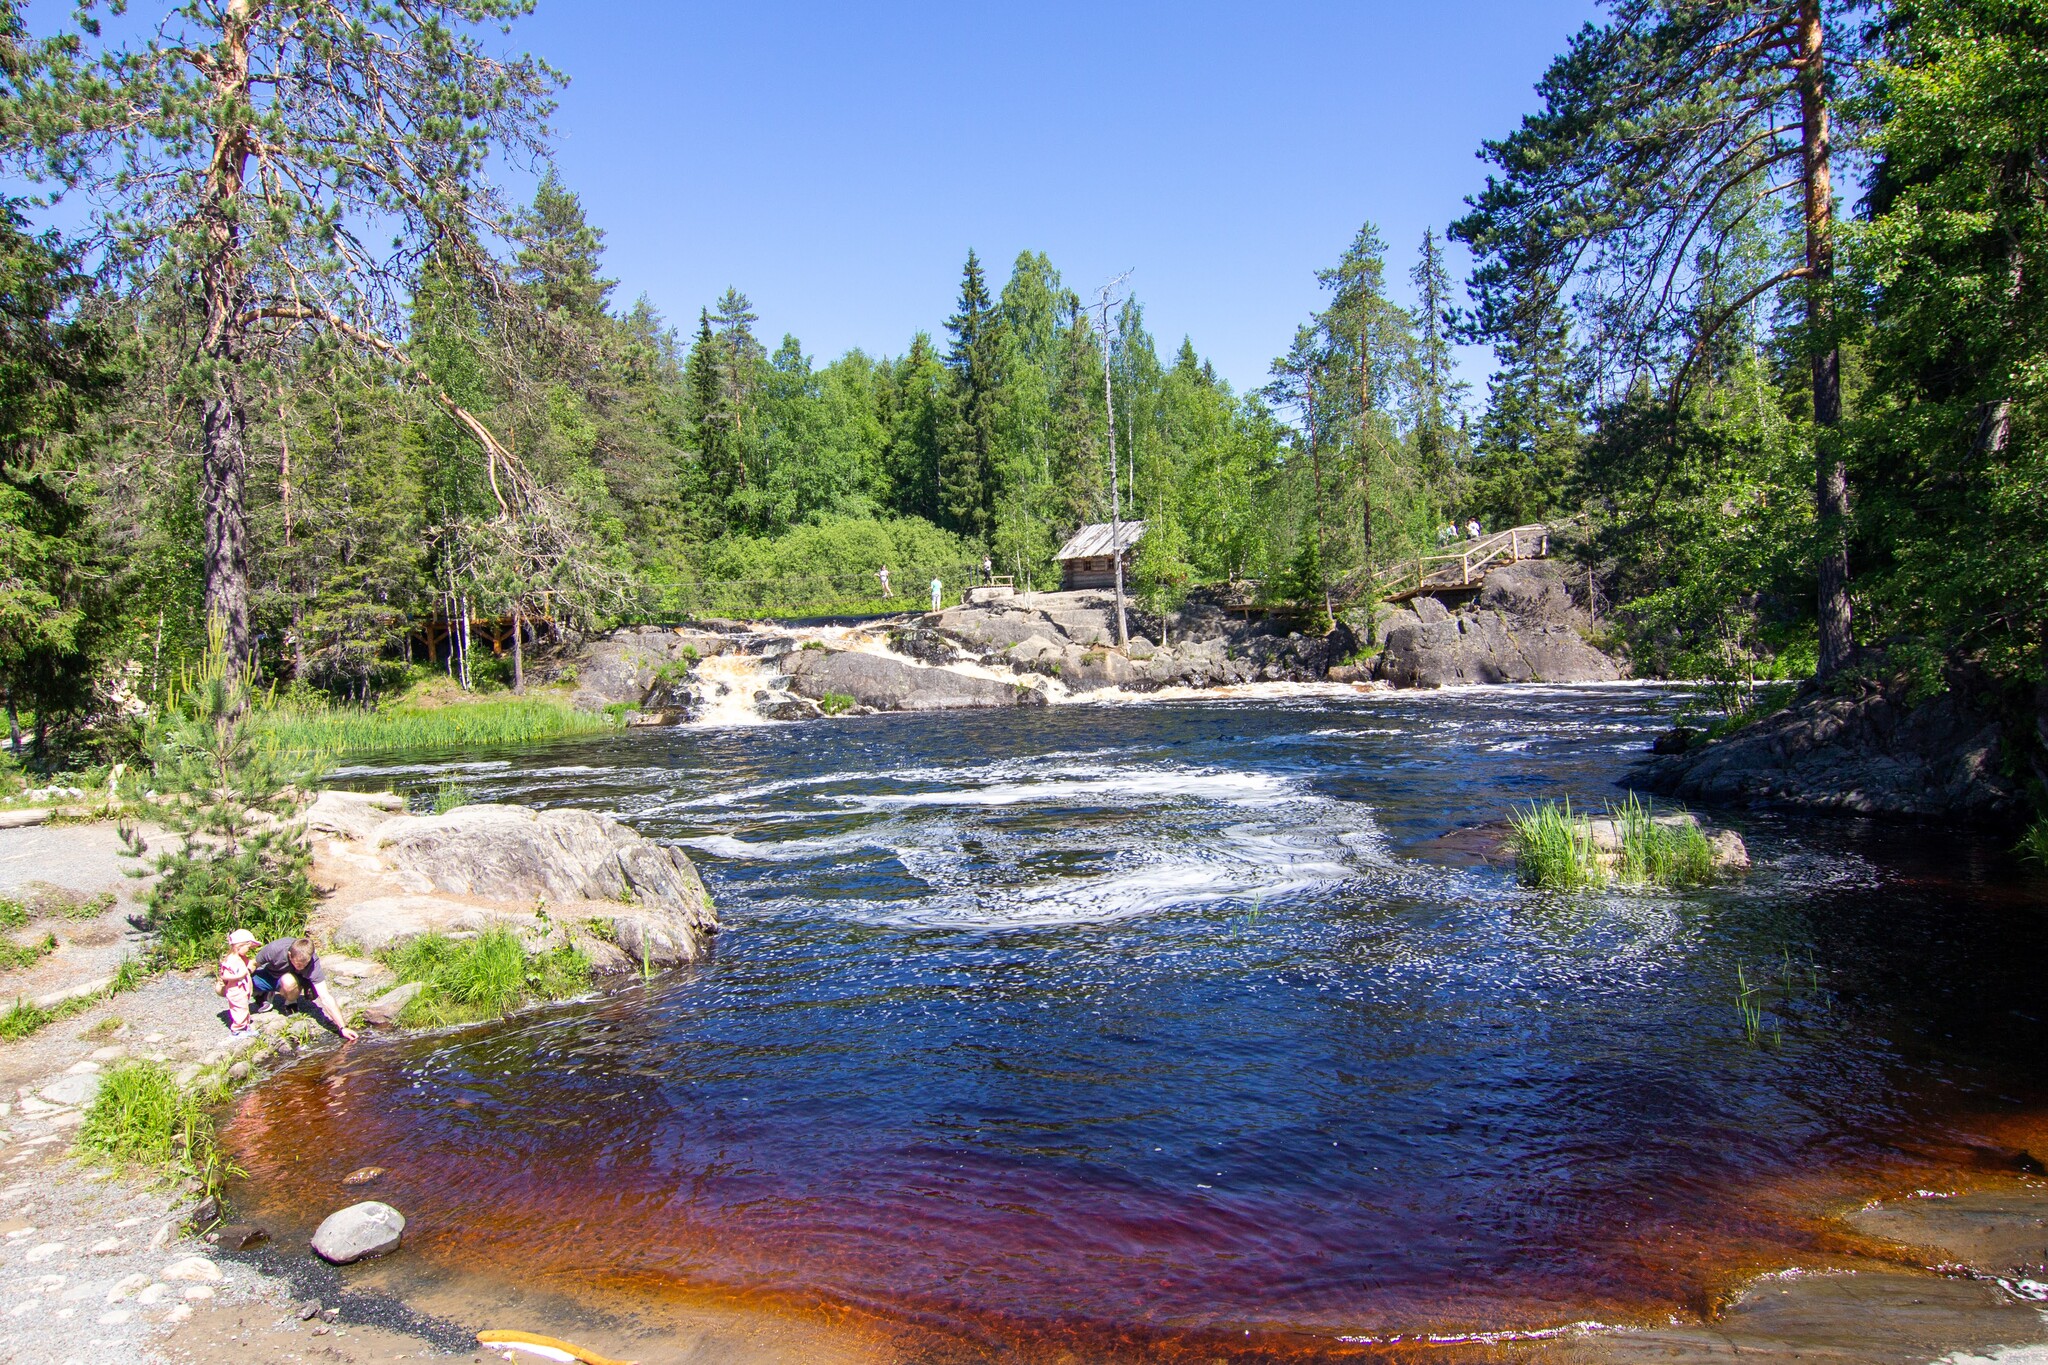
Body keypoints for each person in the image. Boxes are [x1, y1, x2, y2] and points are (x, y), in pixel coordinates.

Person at [251, 935, 358, 1041]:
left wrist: (342, 1027)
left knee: (288, 981)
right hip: (270, 975)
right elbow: (253, 963)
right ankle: (265, 994)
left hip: (288, 981)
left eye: (304, 965)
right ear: (289, 955)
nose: (301, 967)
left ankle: (290, 1002)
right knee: (246, 983)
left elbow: (325, 997)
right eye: (297, 964)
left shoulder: (313, 963)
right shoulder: (276, 948)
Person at [217, 928, 259, 1037]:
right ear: (239, 946)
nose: (248, 950)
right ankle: (237, 1029)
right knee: (240, 1009)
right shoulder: (231, 960)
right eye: (247, 947)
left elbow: (250, 964)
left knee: (244, 1008)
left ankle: (245, 1026)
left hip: (242, 990)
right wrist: (239, 976)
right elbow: (224, 975)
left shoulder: (240, 958)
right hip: (235, 990)